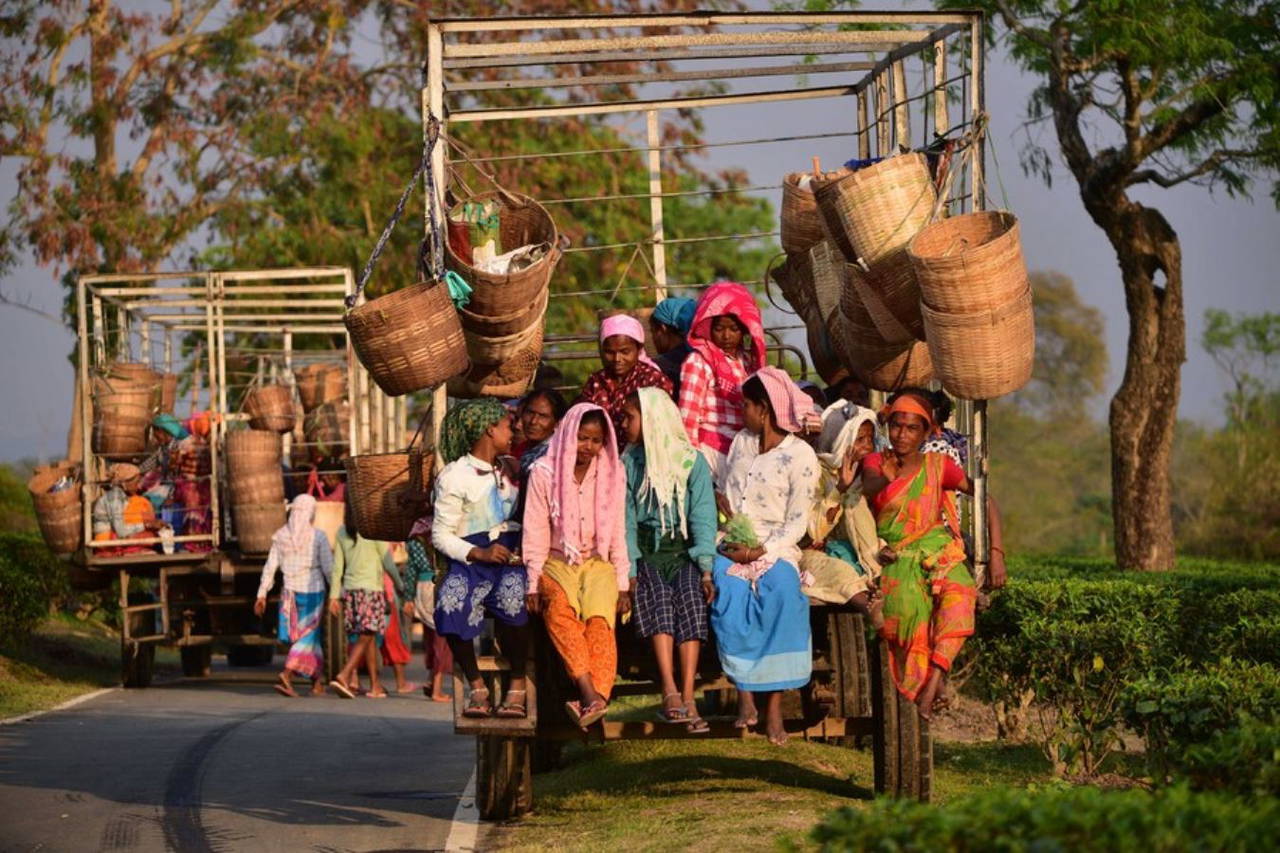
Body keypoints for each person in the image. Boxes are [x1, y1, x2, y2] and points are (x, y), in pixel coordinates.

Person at [861, 389, 1007, 719]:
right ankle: (931, 685)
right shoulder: (876, 460)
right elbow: (866, 488)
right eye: (897, 426)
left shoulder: (938, 465)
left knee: (960, 593)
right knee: (909, 612)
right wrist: (884, 480)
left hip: (939, 550)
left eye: (912, 428)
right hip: (896, 557)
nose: (902, 435)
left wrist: (996, 553)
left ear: (927, 433)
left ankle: (933, 682)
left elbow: (986, 498)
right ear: (888, 427)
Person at [712, 367, 820, 745]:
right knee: (728, 597)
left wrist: (761, 551)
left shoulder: (802, 455)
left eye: (746, 406)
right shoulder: (741, 443)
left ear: (764, 408)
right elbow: (729, 496)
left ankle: (774, 707)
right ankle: (744, 694)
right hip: (731, 541)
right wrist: (733, 544)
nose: (741, 412)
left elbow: (797, 523)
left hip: (776, 546)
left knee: (782, 596)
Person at [523, 403, 631, 729]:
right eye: (582, 438)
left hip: (597, 562)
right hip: (557, 561)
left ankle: (593, 699)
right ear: (568, 434)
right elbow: (535, 532)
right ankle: (590, 694)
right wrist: (531, 583)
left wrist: (623, 583)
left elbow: (616, 532)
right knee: (559, 611)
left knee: (601, 619)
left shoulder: (613, 472)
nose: (588, 447)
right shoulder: (544, 473)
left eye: (596, 440)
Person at [619, 388, 718, 732]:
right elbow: (626, 520)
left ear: (652, 420)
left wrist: (706, 569)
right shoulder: (629, 463)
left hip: (683, 553)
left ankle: (689, 695)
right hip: (647, 554)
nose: (625, 424)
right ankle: (669, 689)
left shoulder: (693, 462)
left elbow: (704, 516)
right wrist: (629, 569)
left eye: (630, 417)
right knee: (658, 599)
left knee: (691, 599)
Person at [432, 398, 531, 719]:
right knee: (450, 603)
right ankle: (477, 685)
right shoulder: (454, 476)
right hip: (473, 559)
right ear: (490, 429)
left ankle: (517, 683)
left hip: (512, 556)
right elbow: (441, 535)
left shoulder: (512, 469)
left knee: (515, 599)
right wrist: (479, 553)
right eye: (506, 425)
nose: (513, 430)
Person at [678, 281, 767, 482]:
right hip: (710, 451)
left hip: (745, 449)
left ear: (744, 330)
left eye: (734, 329)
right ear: (708, 326)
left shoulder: (748, 363)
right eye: (719, 329)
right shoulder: (699, 361)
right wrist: (693, 466)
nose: (726, 336)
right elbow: (688, 419)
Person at [802, 401, 883, 612]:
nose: (867, 446)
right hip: (813, 553)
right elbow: (814, 531)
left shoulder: (870, 475)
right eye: (859, 439)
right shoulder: (815, 472)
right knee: (840, 573)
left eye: (870, 439)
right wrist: (839, 490)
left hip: (860, 555)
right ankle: (869, 607)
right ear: (840, 440)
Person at [254, 494, 334, 697]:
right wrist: (337, 594)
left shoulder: (280, 536)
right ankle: (287, 674)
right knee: (307, 638)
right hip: (313, 593)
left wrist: (262, 594)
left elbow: (270, 567)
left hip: (289, 594)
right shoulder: (319, 537)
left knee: (306, 639)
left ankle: (317, 682)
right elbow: (328, 569)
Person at [328, 503, 397, 699]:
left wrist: (334, 596)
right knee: (368, 634)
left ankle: (375, 685)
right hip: (371, 590)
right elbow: (388, 563)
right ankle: (345, 674)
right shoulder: (373, 529)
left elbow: (337, 568)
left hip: (350, 591)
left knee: (367, 637)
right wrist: (400, 585)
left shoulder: (343, 531)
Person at [577, 314, 673, 436]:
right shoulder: (596, 381)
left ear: (639, 349)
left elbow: (662, 427)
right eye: (610, 352)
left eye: (625, 352)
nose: (617, 359)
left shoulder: (653, 380)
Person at [406, 520, 452, 702]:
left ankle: (430, 680)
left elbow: (410, 571)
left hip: (422, 589)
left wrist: (408, 598)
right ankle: (437, 690)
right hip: (439, 586)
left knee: (430, 638)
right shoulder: (442, 538)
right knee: (442, 642)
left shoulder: (414, 543)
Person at [92, 463, 167, 556]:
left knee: (153, 537)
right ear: (125, 483)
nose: (139, 487)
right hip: (107, 543)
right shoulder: (114, 497)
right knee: (149, 538)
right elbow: (121, 531)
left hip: (115, 538)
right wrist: (147, 525)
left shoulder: (120, 496)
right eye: (136, 483)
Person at [380, 544, 417, 694]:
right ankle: (401, 683)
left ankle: (363, 682)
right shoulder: (382, 544)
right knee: (394, 639)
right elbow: (390, 568)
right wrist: (403, 588)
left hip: (366, 592)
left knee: (367, 640)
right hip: (386, 595)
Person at [650, 296, 697, 395]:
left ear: (663, 329)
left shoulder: (656, 367)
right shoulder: (703, 358)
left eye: (653, 331)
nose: (653, 339)